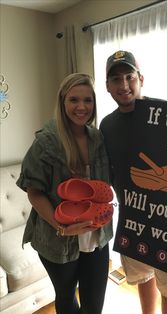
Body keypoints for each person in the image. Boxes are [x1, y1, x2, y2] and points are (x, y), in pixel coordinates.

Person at [100, 50, 167, 314]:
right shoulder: (107, 125)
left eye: (129, 77)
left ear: (141, 78)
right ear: (107, 86)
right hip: (132, 219)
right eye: (116, 79)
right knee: (143, 278)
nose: (124, 85)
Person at [16, 73, 113, 314]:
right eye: (74, 100)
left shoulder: (98, 138)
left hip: (96, 236)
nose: (82, 107)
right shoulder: (46, 142)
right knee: (67, 299)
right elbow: (34, 192)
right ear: (62, 102)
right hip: (57, 239)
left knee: (94, 306)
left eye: (88, 100)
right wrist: (61, 225)